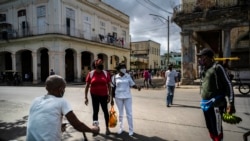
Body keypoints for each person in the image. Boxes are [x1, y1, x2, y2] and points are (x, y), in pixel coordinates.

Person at [26, 75, 99, 141]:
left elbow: (40, 121)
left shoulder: (35, 100)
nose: (64, 91)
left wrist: (57, 126)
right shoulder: (61, 101)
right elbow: (77, 125)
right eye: (64, 88)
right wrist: (93, 129)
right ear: (60, 89)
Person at [197, 47, 235, 141]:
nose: (200, 59)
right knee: (209, 127)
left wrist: (231, 102)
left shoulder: (217, 67)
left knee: (216, 129)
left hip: (216, 105)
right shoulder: (205, 69)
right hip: (205, 104)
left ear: (208, 57)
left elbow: (228, 83)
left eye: (202, 57)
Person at [111, 63, 141, 136]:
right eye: (123, 67)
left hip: (127, 97)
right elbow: (112, 88)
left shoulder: (128, 76)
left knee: (129, 114)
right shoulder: (115, 77)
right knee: (120, 114)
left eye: (125, 67)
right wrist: (111, 99)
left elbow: (132, 84)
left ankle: (131, 129)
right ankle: (121, 128)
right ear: (119, 69)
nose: (124, 69)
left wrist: (137, 87)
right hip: (118, 97)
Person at [85, 59, 112, 135]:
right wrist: (86, 97)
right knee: (95, 112)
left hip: (104, 96)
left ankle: (107, 128)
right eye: (99, 64)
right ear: (95, 65)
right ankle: (95, 129)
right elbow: (87, 86)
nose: (101, 65)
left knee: (105, 111)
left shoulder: (106, 73)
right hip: (94, 95)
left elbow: (109, 86)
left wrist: (109, 95)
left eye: (102, 63)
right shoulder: (91, 73)